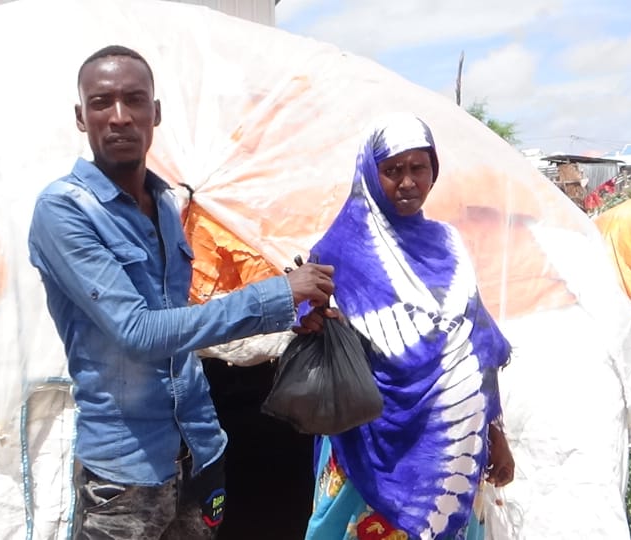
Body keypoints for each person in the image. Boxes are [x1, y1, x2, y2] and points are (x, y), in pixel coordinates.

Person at [27, 45, 335, 540]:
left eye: (134, 99)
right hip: (125, 473)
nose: (120, 116)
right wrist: (276, 295)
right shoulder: (64, 211)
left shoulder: (167, 203)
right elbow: (139, 331)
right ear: (81, 117)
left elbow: (180, 317)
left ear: (155, 112)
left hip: (200, 450)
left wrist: (290, 313)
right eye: (102, 102)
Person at [297, 112, 515, 540]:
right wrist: (315, 319)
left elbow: (478, 345)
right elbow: (308, 320)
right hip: (371, 448)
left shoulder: (448, 244)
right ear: (370, 173)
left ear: (434, 170)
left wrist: (494, 432)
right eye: (393, 170)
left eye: (419, 167)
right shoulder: (340, 250)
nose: (408, 182)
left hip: (452, 446)